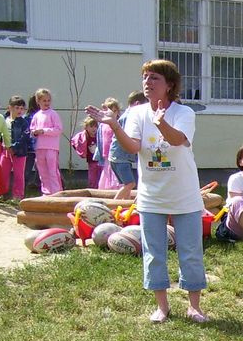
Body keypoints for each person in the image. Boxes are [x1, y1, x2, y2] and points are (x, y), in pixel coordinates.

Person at [86, 59, 208, 324]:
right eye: (145, 77)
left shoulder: (184, 113)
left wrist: (161, 123)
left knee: (190, 250)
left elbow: (178, 141)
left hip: (184, 194)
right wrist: (115, 125)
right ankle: (162, 307)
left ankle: (194, 306)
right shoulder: (138, 112)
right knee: (154, 252)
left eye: (154, 78)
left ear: (169, 85)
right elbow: (133, 147)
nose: (147, 83)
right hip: (151, 196)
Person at [109, 90, 144, 201]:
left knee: (126, 186)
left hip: (119, 157)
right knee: (130, 184)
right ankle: (112, 205)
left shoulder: (126, 115)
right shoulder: (129, 116)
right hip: (120, 157)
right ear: (138, 104)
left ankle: (125, 206)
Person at [30, 88, 63, 195]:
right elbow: (32, 130)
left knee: (52, 170)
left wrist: (44, 131)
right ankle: (46, 192)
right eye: (44, 101)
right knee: (42, 171)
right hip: (40, 147)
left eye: (48, 100)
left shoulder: (53, 114)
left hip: (52, 147)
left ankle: (56, 192)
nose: (47, 103)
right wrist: (35, 132)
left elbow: (58, 129)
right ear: (38, 101)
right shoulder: (36, 115)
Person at [0, 95, 30, 202]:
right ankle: (1, 194)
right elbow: (0, 135)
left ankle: (18, 195)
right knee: (3, 172)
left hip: (19, 152)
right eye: (17, 108)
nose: (19, 111)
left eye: (22, 108)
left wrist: (14, 147)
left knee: (18, 174)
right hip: (4, 151)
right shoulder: (4, 120)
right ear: (10, 108)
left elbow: (24, 137)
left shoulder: (24, 122)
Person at [96, 97, 121, 190]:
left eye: (115, 111)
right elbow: (99, 139)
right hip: (106, 152)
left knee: (114, 170)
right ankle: (105, 187)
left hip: (116, 152)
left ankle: (116, 186)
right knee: (107, 170)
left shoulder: (118, 123)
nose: (113, 113)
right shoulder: (102, 124)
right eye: (110, 110)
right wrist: (99, 152)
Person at [71, 116, 101, 188]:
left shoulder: (99, 136)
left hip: (100, 161)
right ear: (86, 127)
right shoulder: (85, 137)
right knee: (92, 178)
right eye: (91, 126)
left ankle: (100, 189)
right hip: (91, 161)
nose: (94, 129)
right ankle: (92, 189)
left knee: (100, 176)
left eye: (95, 127)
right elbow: (75, 142)